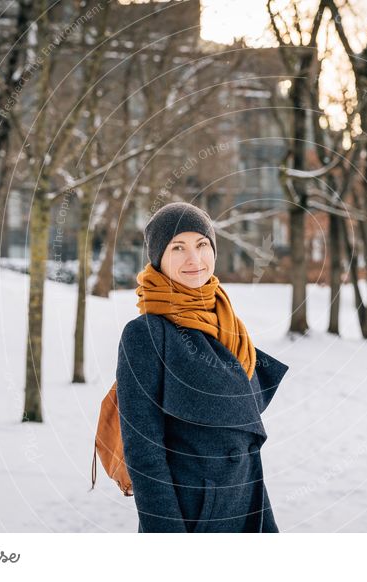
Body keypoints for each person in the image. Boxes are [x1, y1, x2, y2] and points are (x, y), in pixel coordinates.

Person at [116, 201, 289, 533]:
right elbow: (144, 452)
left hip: (247, 505)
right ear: (159, 259)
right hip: (191, 515)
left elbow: (245, 447)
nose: (193, 258)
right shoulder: (146, 335)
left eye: (201, 244)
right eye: (177, 247)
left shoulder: (228, 325)